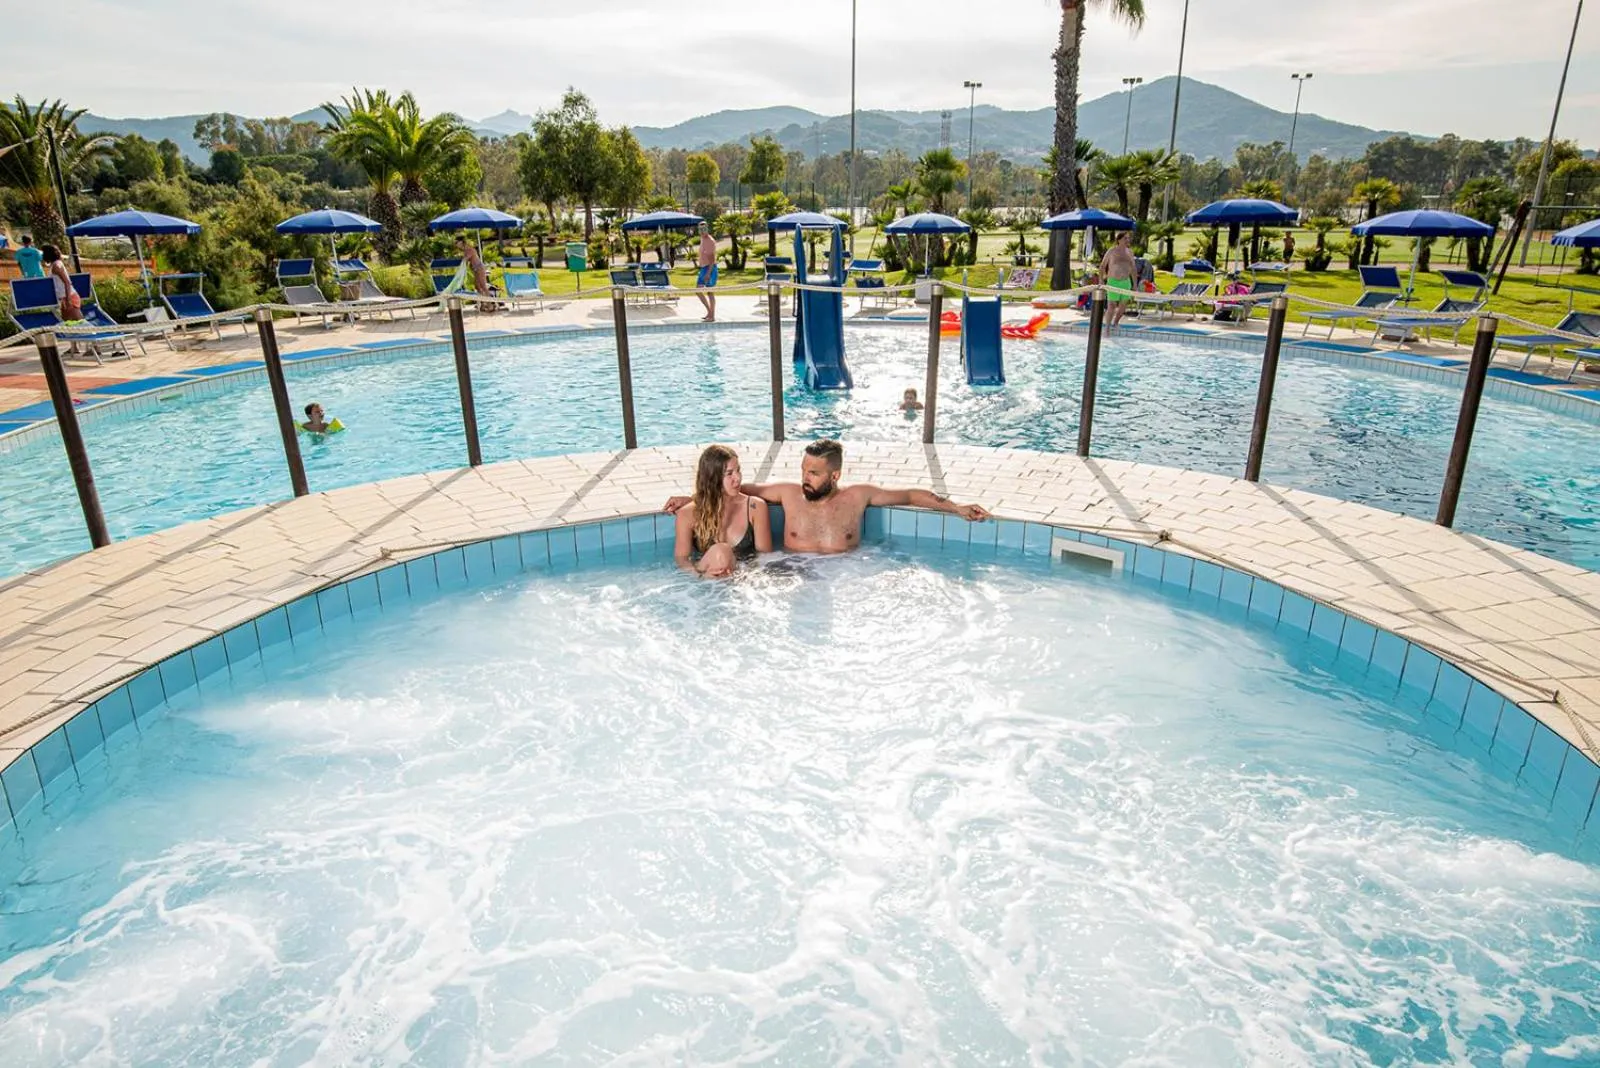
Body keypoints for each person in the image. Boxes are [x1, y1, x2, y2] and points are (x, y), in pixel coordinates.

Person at [664, 438, 989, 555]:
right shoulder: (787, 493)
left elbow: (910, 495)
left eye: (814, 473)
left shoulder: (858, 496)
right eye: (804, 470)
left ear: (835, 475)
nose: (804, 478)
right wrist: (690, 497)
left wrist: (956, 508)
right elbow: (734, 489)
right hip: (795, 572)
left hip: (847, 572)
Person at [672, 445, 772, 578]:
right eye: (729, 473)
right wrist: (701, 575)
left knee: (723, 553)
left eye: (738, 470)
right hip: (708, 581)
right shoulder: (687, 514)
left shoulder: (755, 507)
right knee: (721, 552)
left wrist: (742, 576)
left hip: (744, 579)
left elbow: (765, 557)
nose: (738, 478)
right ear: (713, 479)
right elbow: (682, 560)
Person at [1099, 231, 1136, 329]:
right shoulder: (1112, 251)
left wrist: (1135, 284)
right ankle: (1107, 327)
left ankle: (1115, 323)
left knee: (1123, 307)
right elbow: (1102, 266)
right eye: (1125, 238)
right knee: (1112, 306)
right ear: (1119, 240)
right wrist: (1101, 280)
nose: (1127, 240)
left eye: (1128, 238)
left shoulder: (1130, 252)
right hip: (1113, 282)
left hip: (1126, 282)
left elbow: (1133, 269)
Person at [40, 245, 81, 321]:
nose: (42, 255)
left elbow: (67, 282)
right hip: (64, 299)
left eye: (43, 253)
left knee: (80, 325)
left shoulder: (56, 266)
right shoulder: (55, 264)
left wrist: (68, 300)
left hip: (69, 298)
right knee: (69, 326)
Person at [456, 237, 497, 313]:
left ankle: (490, 305)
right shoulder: (465, 250)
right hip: (476, 270)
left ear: (461, 242)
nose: (456, 245)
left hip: (479, 268)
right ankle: (483, 303)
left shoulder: (469, 249)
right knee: (477, 287)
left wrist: (462, 259)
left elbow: (465, 259)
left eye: (456, 243)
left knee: (483, 287)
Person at [694, 222, 718, 322]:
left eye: (704, 229)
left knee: (710, 292)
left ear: (707, 229)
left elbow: (712, 260)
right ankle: (709, 312)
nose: (702, 231)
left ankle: (712, 315)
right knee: (698, 290)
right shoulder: (703, 239)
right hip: (703, 268)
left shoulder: (709, 241)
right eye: (700, 229)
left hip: (710, 268)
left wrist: (708, 273)